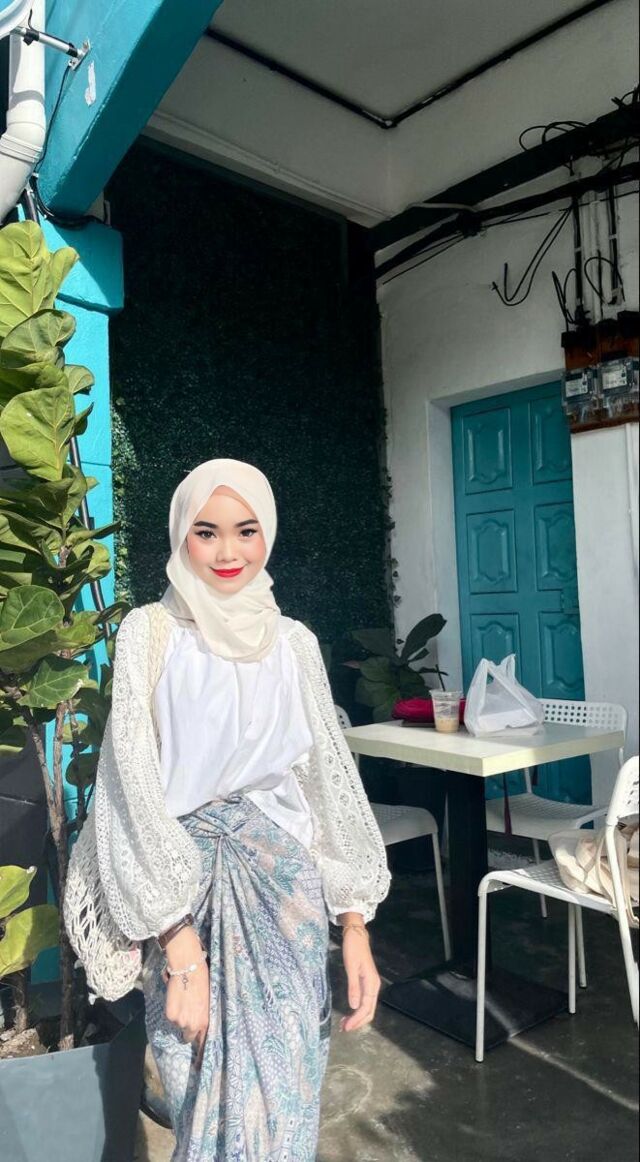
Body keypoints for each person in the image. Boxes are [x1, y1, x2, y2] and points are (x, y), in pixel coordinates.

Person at [64, 458, 391, 1161]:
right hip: (182, 892)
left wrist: (354, 925)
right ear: (181, 535)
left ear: (267, 533)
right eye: (206, 532)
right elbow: (129, 784)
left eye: (246, 530)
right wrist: (179, 946)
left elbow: (325, 788)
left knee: (287, 1095)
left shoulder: (294, 643)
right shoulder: (150, 632)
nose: (227, 552)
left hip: (287, 898)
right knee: (196, 1091)